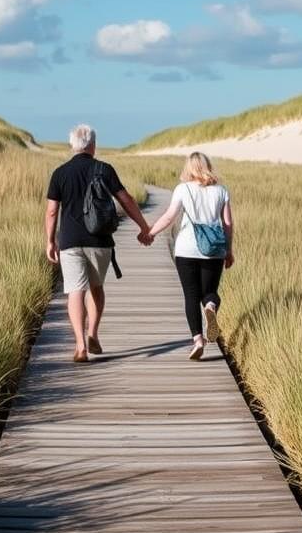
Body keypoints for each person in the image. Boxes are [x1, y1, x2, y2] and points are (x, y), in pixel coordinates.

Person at [45, 124, 152, 363]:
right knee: (96, 287)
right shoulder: (104, 169)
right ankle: (93, 333)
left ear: (72, 145)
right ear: (93, 145)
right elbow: (126, 199)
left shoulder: (60, 173)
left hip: (70, 241)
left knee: (75, 290)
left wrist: (50, 241)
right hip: (100, 240)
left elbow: (52, 211)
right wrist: (143, 227)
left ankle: (80, 345)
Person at [146, 152, 234, 360]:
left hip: (186, 249)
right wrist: (229, 250)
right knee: (210, 292)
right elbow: (228, 224)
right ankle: (210, 307)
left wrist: (150, 233)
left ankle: (198, 341)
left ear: (189, 168)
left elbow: (170, 216)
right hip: (214, 250)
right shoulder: (221, 191)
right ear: (207, 166)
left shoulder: (183, 189)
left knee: (191, 296)